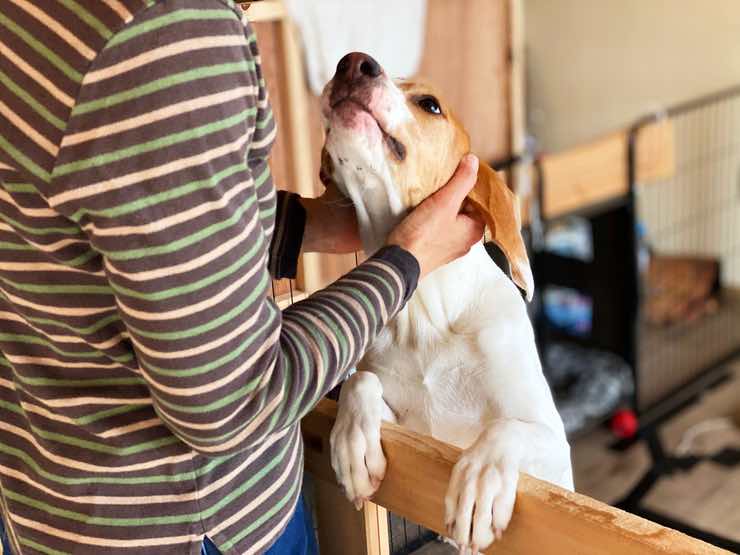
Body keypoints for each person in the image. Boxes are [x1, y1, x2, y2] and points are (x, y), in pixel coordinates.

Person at [0, 1, 483, 553]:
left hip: (44, 499)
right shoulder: (170, 36)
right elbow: (234, 401)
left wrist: (306, 227)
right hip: (193, 524)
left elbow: (120, 220)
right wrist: (403, 262)